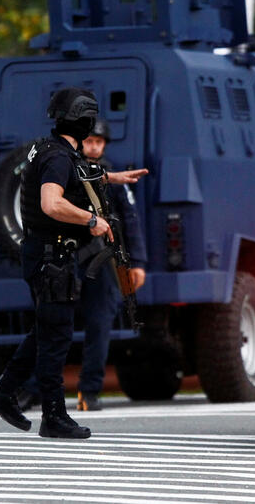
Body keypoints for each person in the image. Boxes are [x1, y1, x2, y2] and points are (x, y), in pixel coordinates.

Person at [0, 88, 147, 439]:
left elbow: (78, 174)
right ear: (83, 121)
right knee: (56, 336)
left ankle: (2, 393)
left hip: (45, 254)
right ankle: (53, 415)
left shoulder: (49, 148)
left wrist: (115, 178)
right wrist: (90, 220)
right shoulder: (58, 156)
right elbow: (51, 203)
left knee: (46, 330)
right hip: (50, 257)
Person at [76, 118, 147, 412]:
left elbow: (130, 218)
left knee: (100, 322)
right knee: (51, 323)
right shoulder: (65, 172)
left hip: (100, 259)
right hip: (68, 256)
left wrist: (137, 262)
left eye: (99, 142)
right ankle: (33, 390)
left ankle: (89, 391)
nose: (93, 147)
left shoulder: (110, 175)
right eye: (89, 141)